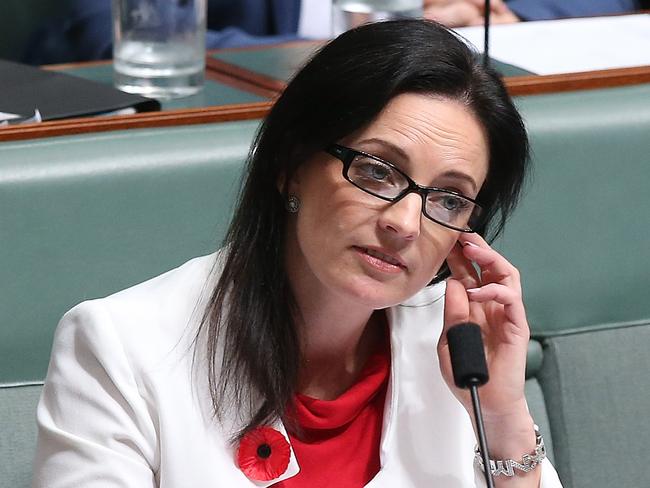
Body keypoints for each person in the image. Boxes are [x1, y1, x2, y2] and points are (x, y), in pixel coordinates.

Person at [33, 19, 564, 487]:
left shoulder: (463, 354)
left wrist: (502, 419)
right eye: (377, 171)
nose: (404, 222)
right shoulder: (121, 350)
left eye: (447, 199)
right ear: (290, 162)